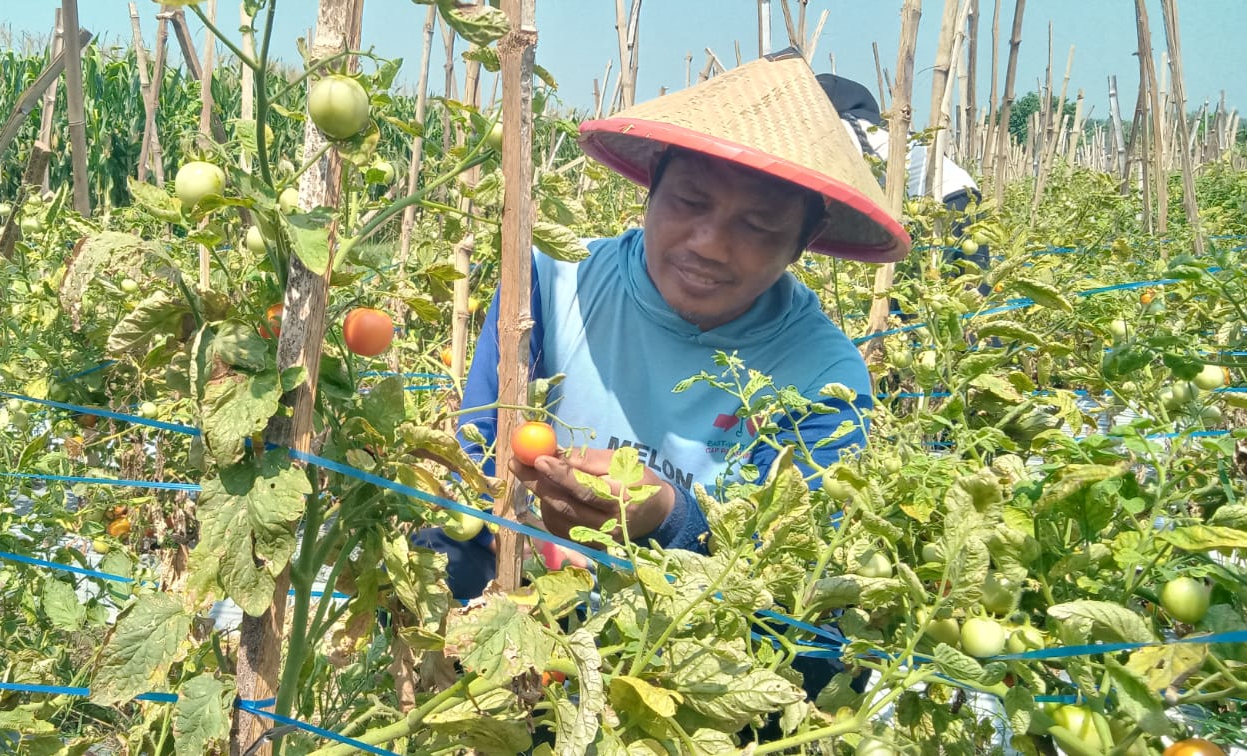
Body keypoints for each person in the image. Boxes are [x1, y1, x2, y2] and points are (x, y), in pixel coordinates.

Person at [411, 48, 911, 737]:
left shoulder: (822, 377)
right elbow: (476, 459)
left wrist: (673, 520)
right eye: (689, 203)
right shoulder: (550, 284)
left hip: (687, 646)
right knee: (438, 550)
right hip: (531, 604)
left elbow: (798, 590)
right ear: (651, 186)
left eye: (758, 227)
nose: (709, 244)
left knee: (817, 665)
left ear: (804, 240)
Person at [815, 72, 991, 296]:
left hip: (940, 202)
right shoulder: (877, 129)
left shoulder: (843, 127)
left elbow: (843, 181)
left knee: (924, 290)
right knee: (971, 289)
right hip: (960, 191)